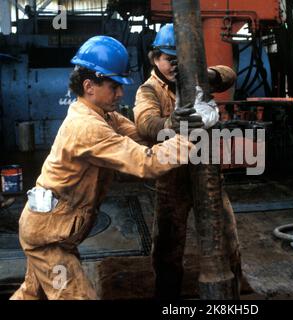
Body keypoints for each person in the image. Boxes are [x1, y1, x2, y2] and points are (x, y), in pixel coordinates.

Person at [10, 35, 201, 300]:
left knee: (32, 294)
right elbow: (146, 162)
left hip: (49, 229)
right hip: (49, 241)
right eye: (114, 86)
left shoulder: (103, 115)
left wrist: (171, 124)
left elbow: (139, 137)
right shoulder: (88, 127)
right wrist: (191, 138)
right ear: (89, 86)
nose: (121, 93)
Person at [133, 23, 242, 299]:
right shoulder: (149, 90)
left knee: (228, 241)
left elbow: (229, 76)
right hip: (172, 180)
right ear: (155, 57)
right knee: (168, 249)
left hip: (207, 175)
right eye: (169, 59)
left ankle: (232, 295)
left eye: (180, 60)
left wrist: (206, 74)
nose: (174, 66)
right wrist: (172, 122)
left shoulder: (195, 79)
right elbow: (146, 124)